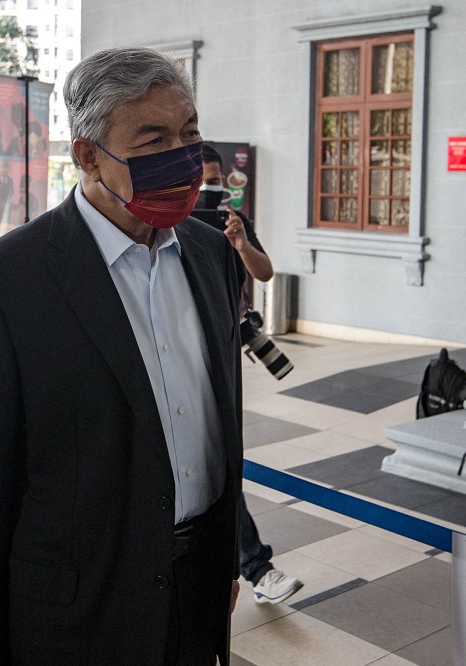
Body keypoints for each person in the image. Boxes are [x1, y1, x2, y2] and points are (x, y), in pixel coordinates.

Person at [0, 47, 244, 664]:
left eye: (189, 134)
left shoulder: (211, 255)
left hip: (199, 592)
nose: (181, 157)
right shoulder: (6, 282)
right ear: (87, 155)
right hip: (78, 614)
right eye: (153, 140)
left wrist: (224, 558)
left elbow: (218, 426)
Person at [198, 143, 303, 605]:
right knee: (210, 461)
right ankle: (254, 567)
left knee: (223, 459)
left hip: (223, 353)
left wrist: (241, 243)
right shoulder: (163, 227)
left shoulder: (232, 221)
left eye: (215, 180)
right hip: (181, 355)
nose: (209, 189)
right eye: (202, 180)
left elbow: (264, 272)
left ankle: (255, 568)